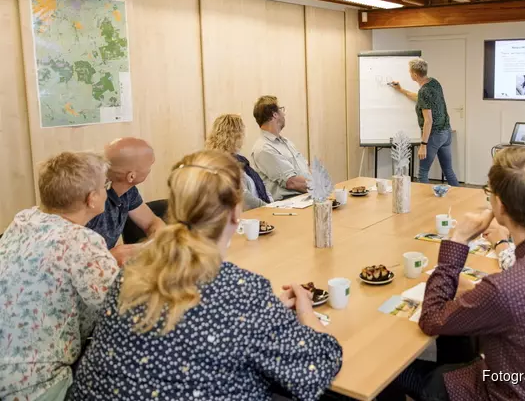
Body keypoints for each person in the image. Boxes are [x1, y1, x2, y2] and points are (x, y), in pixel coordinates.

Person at [69, 150, 342, 400]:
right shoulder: (242, 291)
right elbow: (317, 366)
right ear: (237, 212)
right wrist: (305, 313)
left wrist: (264, 314)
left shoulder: (132, 273)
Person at [384, 147, 525, 401]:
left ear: (500, 206)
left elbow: (431, 320)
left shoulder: (506, 289)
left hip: (494, 392)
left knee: (384, 371)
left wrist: (457, 239)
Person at [0, 152, 119, 401]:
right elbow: (121, 308)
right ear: (92, 198)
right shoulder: (81, 241)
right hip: (35, 385)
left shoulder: (24, 220)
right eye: (105, 186)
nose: (107, 192)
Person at [86, 137, 165, 265]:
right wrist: (110, 256)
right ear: (131, 176)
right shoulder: (92, 200)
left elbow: (152, 222)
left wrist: (145, 247)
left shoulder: (128, 191)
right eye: (149, 166)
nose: (150, 168)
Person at [391, 58, 459, 186]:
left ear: (415, 75)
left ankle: (426, 205)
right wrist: (401, 90)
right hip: (446, 133)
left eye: (410, 72)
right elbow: (420, 98)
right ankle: (462, 201)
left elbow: (428, 121)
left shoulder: (424, 91)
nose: (410, 74)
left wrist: (423, 145)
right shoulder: (434, 83)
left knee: (422, 173)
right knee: (448, 170)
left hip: (434, 135)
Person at [250, 96, 311, 200]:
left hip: (306, 197)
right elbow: (292, 182)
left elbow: (305, 167)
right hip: (290, 204)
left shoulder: (286, 142)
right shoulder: (264, 148)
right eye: (281, 110)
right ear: (274, 114)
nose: (284, 114)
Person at [206, 113, 272, 210]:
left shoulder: (240, 160)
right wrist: (266, 206)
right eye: (242, 132)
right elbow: (242, 195)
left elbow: (261, 183)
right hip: (243, 217)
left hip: (259, 211)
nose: (244, 136)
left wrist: (271, 202)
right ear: (235, 135)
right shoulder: (221, 163)